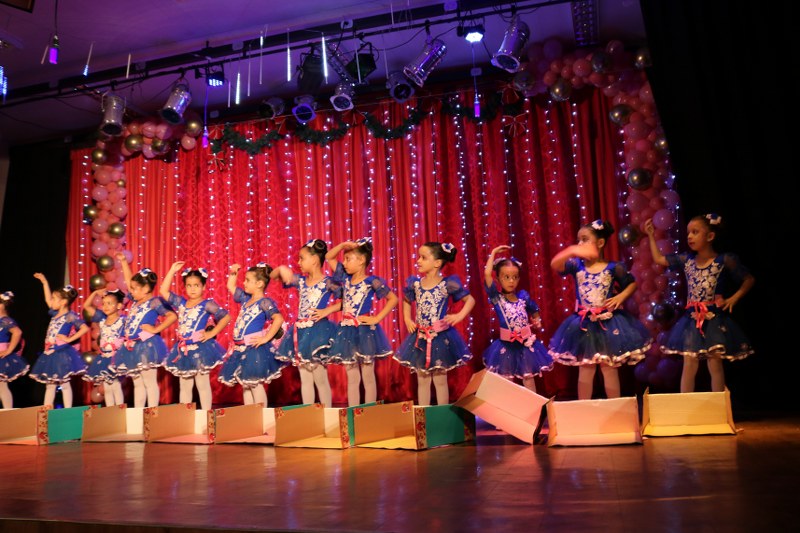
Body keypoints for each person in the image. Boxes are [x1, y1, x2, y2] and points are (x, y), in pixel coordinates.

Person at [644, 214, 755, 392]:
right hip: (691, 319)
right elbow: (659, 259)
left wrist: (733, 298)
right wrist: (650, 235)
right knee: (689, 364)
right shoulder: (687, 260)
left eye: (695, 232)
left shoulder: (723, 260)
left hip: (713, 318)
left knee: (714, 364)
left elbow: (748, 279)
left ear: (710, 236)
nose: (689, 236)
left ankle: (718, 404)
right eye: (688, 232)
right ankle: (686, 404)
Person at [548, 220, 651, 400]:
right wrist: (572, 250)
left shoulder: (613, 267)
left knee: (608, 369)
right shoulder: (576, 266)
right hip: (584, 325)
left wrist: (620, 297)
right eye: (578, 240)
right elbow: (555, 264)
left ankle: (615, 409)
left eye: (584, 239)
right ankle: (584, 409)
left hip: (608, 324)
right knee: (586, 369)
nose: (580, 244)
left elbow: (632, 284)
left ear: (601, 243)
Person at [394, 242, 475, 406]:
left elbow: (470, 300)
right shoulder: (416, 284)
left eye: (423, 258)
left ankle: (442, 414)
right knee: (422, 379)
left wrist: (459, 316)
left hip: (440, 338)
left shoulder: (447, 284)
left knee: (440, 380)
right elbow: (407, 301)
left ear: (437, 263)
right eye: (418, 257)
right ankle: (424, 414)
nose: (418, 261)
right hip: (420, 338)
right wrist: (407, 319)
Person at [326, 238, 398, 407]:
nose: (344, 263)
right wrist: (342, 246)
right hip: (346, 331)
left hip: (365, 331)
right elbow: (329, 257)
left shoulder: (371, 281)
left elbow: (393, 299)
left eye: (348, 259)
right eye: (344, 259)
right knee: (352, 376)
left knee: (368, 375)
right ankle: (354, 411)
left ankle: (370, 412)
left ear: (361, 260)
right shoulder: (345, 278)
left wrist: (377, 318)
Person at [272, 239, 340, 407]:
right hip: (301, 333)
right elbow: (272, 276)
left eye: (302, 258)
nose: (298, 262)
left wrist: (327, 311)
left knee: (320, 378)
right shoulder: (301, 281)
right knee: (305, 378)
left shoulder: (328, 282)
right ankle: (309, 413)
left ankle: (327, 413)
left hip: (318, 333)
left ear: (315, 260)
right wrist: (280, 269)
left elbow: (347, 300)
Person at [160, 262, 231, 411]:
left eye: (196, 285)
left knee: (202, 384)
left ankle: (207, 415)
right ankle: (185, 416)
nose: (192, 289)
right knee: (184, 385)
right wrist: (172, 270)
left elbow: (226, 317)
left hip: (200, 349)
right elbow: (163, 291)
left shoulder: (207, 304)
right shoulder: (181, 303)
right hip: (183, 349)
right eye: (189, 285)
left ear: (204, 287)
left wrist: (211, 333)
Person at [481, 245, 553, 392]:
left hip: (525, 345)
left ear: (519, 278)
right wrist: (493, 253)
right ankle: (510, 405)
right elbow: (487, 274)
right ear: (498, 279)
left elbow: (534, 308)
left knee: (528, 378)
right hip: (507, 346)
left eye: (515, 277)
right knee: (507, 381)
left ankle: (532, 405)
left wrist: (537, 320)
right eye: (506, 277)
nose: (511, 281)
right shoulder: (497, 298)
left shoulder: (523, 296)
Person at [113, 255, 178, 408]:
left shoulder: (154, 302)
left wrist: (156, 329)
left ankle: (152, 413)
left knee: (149, 381)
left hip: (147, 346)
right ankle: (139, 413)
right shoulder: (135, 301)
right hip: (131, 346)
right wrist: (124, 262)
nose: (131, 290)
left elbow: (172, 316)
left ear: (146, 289)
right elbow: (129, 281)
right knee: (137, 383)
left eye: (135, 288)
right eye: (132, 288)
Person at [218, 262, 286, 407]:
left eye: (248, 280)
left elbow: (278, 318)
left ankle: (262, 416)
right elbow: (230, 286)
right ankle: (250, 415)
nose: (244, 283)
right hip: (240, 348)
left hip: (253, 349)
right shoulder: (246, 299)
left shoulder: (264, 302)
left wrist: (266, 338)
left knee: (254, 384)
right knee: (246, 385)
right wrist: (233, 272)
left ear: (260, 284)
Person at [29, 274, 89, 408]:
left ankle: (68, 410)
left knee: (64, 383)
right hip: (50, 351)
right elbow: (47, 301)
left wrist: (69, 339)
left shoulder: (70, 316)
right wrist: (44, 282)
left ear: (63, 302)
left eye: (55, 299)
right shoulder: (55, 314)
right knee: (50, 384)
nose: (52, 301)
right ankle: (46, 410)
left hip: (61, 352)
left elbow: (84, 328)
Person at [82, 288, 126, 406]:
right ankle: (110, 409)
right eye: (104, 303)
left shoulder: (123, 320)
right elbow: (86, 306)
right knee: (107, 386)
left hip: (117, 357)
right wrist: (95, 293)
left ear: (119, 305)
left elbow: (130, 336)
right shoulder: (101, 318)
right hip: (104, 357)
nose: (105, 306)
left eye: (109, 303)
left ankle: (120, 409)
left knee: (115, 384)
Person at [0, 291, 27, 409]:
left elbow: (17, 332)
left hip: (1, 355)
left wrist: (9, 350)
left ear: (2, 306)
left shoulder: (5, 320)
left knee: (2, 386)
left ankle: (8, 411)